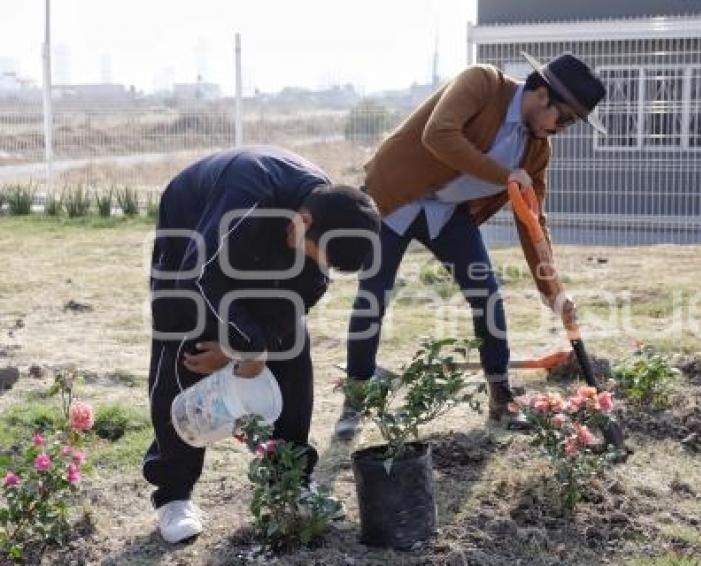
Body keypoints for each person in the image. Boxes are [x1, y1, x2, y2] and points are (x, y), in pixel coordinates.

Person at [337, 52, 607, 438]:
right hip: (396, 195)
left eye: (572, 124)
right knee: (374, 294)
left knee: (487, 295)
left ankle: (501, 399)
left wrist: (553, 292)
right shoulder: (482, 82)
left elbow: (533, 222)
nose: (563, 128)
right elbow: (439, 134)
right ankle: (357, 396)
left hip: (447, 212)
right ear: (542, 94)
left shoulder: (537, 150)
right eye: (564, 117)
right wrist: (505, 175)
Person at [143, 146, 380, 543]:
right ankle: (173, 495)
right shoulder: (248, 190)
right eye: (313, 251)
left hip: (257, 239)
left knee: (292, 348)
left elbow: (302, 296)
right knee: (186, 342)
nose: (314, 263)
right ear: (304, 220)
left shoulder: (328, 218)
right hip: (192, 226)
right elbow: (199, 274)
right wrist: (243, 347)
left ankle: (288, 477)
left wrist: (247, 348)